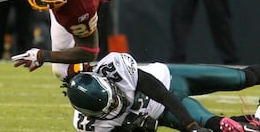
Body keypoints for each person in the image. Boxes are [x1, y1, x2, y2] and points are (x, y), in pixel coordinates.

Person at [64, 52, 260, 132]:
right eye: (111, 108)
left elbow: (162, 93)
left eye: (114, 99)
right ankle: (254, 122)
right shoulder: (92, 126)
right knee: (213, 124)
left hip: (171, 79)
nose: (117, 104)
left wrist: (190, 125)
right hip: (163, 112)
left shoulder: (114, 68)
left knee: (242, 78)